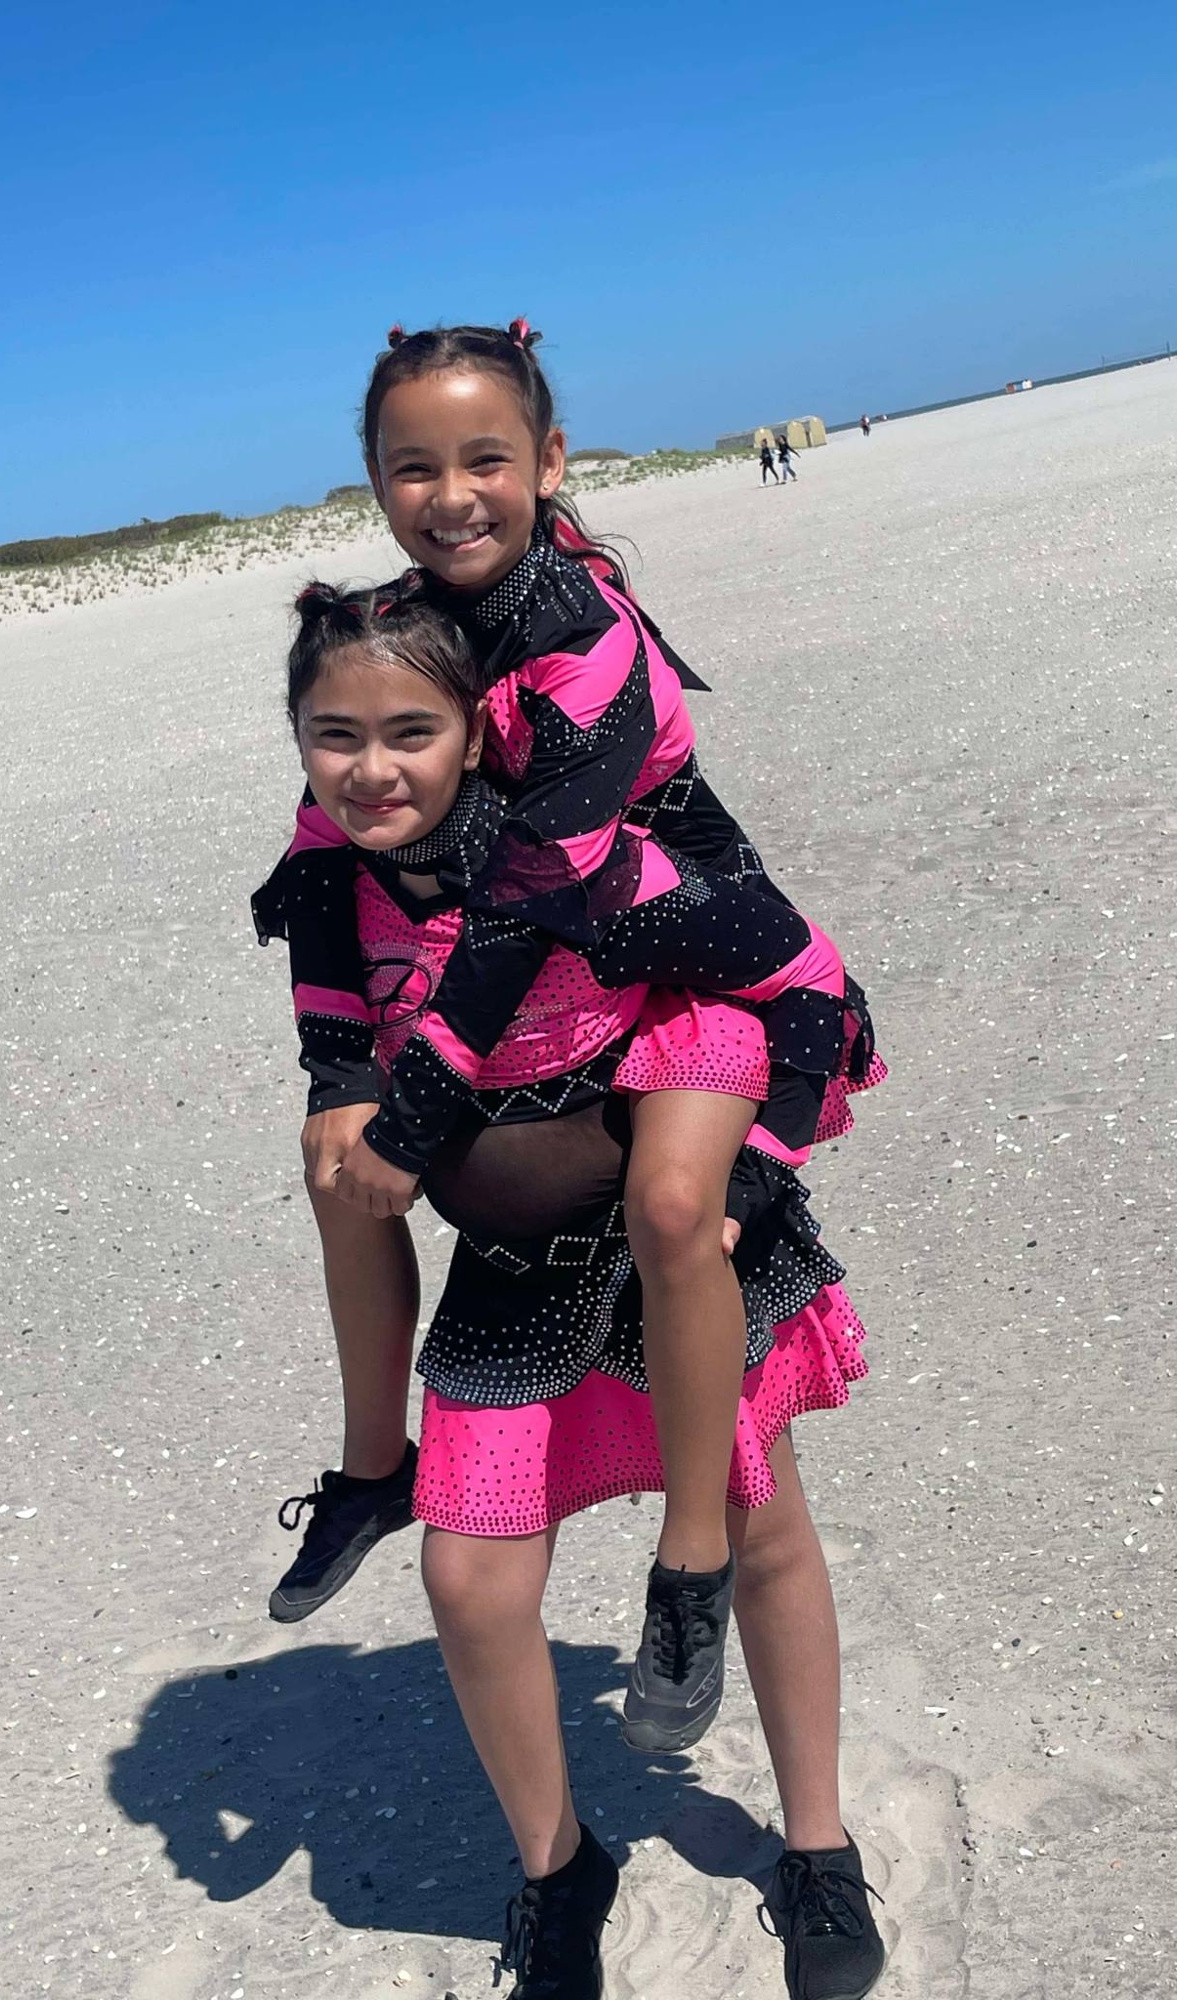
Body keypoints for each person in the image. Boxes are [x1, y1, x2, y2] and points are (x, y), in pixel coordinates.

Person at [259, 588, 887, 1998]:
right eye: (335, 736)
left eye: (411, 731)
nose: (373, 768)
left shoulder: (580, 864)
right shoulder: (328, 887)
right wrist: (343, 1105)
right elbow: (338, 1046)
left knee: (761, 1528)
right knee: (469, 1580)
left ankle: (817, 1839)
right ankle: (559, 1868)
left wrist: (758, 1157)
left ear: (479, 733)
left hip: (666, 1256)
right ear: (297, 744)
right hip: (504, 1273)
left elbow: (777, 976)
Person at [264, 321, 879, 1749]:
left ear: (549, 461)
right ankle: (371, 1466)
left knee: (675, 1208)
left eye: (484, 459)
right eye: (413, 467)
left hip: (687, 936)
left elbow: (530, 900)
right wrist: (343, 1078)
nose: (450, 495)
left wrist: (417, 1116)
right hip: (553, 935)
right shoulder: (402, 621)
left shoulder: (584, 633)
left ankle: (693, 1557)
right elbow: (321, 853)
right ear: (374, 478)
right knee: (330, 1158)